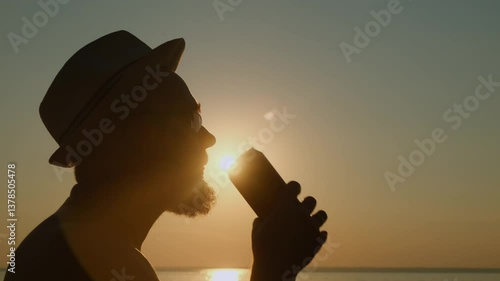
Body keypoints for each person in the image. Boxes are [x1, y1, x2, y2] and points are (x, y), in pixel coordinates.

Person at [4, 31, 329, 281]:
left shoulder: (63, 244)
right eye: (192, 120)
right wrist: (272, 270)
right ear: (134, 141)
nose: (209, 137)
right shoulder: (101, 261)